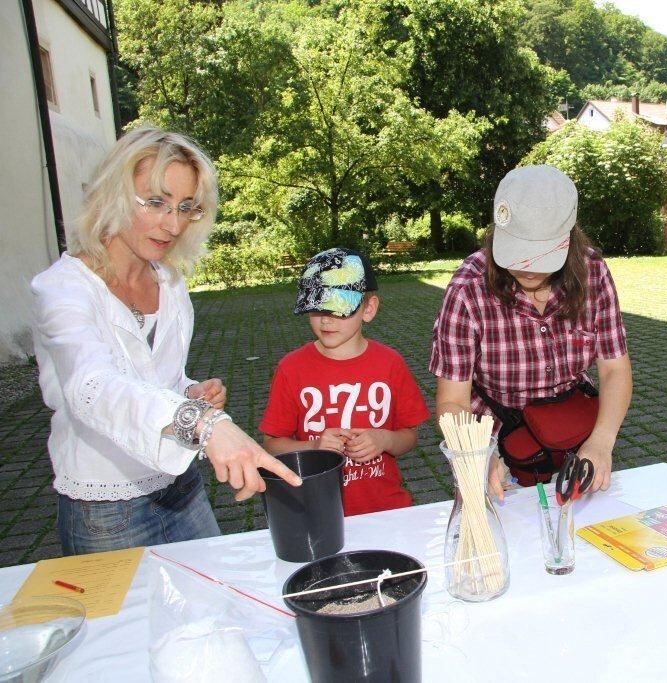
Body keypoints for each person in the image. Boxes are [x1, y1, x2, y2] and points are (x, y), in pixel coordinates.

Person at [31, 126, 301, 556]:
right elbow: (91, 388)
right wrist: (205, 424)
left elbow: (152, 375)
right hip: (107, 510)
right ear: (113, 194)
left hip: (182, 489)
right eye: (155, 202)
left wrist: (188, 391)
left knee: (215, 612)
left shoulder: (169, 281)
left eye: (186, 207)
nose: (172, 224)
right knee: (126, 625)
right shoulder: (62, 290)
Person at [430, 165, 632, 499]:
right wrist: (477, 454)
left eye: (541, 255)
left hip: (576, 437)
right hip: (495, 445)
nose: (526, 267)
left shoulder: (593, 272)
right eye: (517, 251)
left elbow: (614, 370)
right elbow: (452, 401)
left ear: (569, 238)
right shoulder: (468, 289)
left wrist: (601, 441)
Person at [260, 248, 430, 515]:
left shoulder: (390, 363)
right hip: (318, 512)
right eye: (317, 308)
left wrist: (384, 439)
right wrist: (313, 447)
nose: (326, 319)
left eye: (339, 308)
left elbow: (408, 436)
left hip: (386, 509)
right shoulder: (291, 368)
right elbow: (272, 444)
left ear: (368, 308)